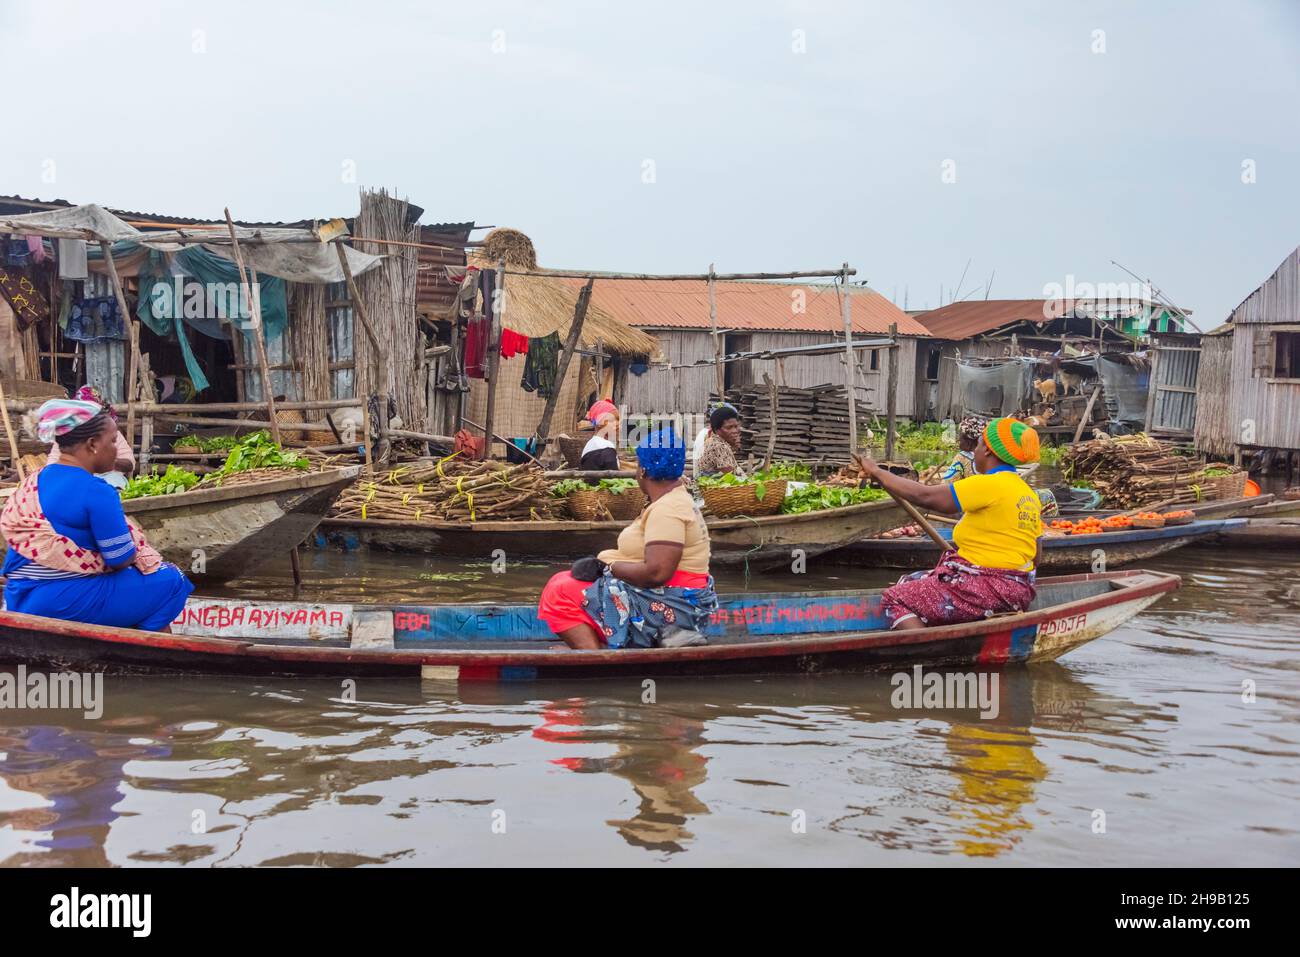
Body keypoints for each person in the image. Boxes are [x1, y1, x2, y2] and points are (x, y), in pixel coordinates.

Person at [2, 399, 194, 632]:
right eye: (113, 441)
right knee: (173, 579)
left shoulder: (35, 480)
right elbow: (119, 559)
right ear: (92, 444)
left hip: (18, 597)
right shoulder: (98, 491)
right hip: (58, 602)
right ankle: (140, 646)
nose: (116, 449)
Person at [853, 417, 1043, 631]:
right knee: (908, 582)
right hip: (1018, 590)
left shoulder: (988, 484)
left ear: (987, 451)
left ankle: (927, 650)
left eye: (979, 445)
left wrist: (878, 472)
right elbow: (1036, 557)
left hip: (985, 588)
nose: (976, 451)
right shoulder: (1028, 494)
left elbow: (925, 496)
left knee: (894, 598)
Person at [537, 428, 718, 650]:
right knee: (562, 580)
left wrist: (609, 568)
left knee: (560, 590)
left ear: (643, 470)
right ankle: (594, 645)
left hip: (673, 605)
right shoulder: (671, 500)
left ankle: (590, 655)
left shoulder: (668, 509)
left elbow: (657, 573)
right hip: (671, 597)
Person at [45, 385, 134, 490]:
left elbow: (129, 464)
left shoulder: (112, 433)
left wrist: (105, 460)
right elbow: (51, 464)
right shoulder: (67, 435)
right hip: (75, 479)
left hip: (109, 479)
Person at [695, 404, 744, 478]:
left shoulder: (712, 441)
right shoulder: (719, 446)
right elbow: (732, 478)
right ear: (716, 429)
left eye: (736, 426)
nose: (734, 431)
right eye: (729, 427)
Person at [935, 416, 985, 483]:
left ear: (967, 440)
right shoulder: (990, 456)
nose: (958, 439)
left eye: (960, 435)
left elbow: (948, 482)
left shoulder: (962, 457)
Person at [578, 399, 621, 472]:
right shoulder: (606, 447)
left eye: (617, 420)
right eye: (611, 420)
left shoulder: (590, 444)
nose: (617, 424)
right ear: (599, 424)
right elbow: (613, 477)